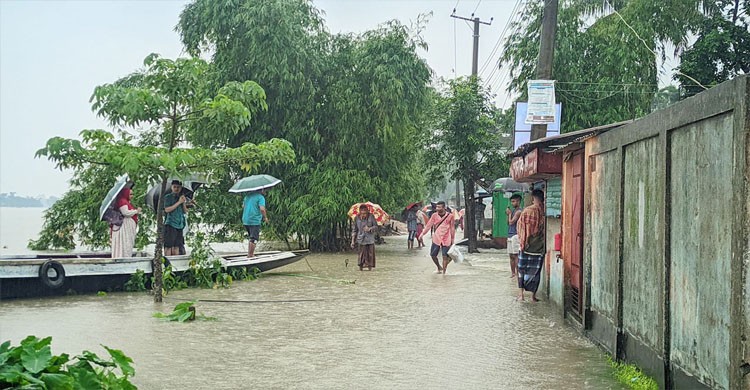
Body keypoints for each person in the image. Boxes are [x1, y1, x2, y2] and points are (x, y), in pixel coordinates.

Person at [517, 189, 545, 302]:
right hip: (539, 247)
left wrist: (523, 244)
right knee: (535, 271)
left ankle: (521, 295)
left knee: (521, 270)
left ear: (533, 198)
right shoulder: (544, 211)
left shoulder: (527, 211)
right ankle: (533, 296)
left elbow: (521, 229)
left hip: (526, 246)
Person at [418, 201, 455, 274]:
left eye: (439, 207)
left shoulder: (450, 216)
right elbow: (428, 225)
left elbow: (452, 228)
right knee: (433, 255)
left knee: (445, 256)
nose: (437, 208)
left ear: (444, 208)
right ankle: (439, 267)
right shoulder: (434, 215)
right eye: (437, 207)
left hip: (446, 238)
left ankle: (444, 273)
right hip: (437, 238)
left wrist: (452, 239)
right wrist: (422, 234)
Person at [111, 187, 141, 258]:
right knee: (124, 242)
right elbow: (125, 213)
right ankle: (122, 257)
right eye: (130, 194)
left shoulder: (126, 202)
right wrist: (136, 211)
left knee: (127, 243)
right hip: (124, 226)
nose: (132, 196)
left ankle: (126, 256)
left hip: (127, 226)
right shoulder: (122, 201)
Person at [163, 180, 190, 256]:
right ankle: (167, 262)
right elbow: (167, 209)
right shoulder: (168, 197)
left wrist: (183, 202)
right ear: (171, 187)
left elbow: (185, 211)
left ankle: (176, 261)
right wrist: (178, 202)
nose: (176, 189)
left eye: (178, 187)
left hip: (180, 224)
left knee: (177, 245)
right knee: (169, 245)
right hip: (171, 223)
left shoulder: (181, 197)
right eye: (174, 187)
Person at [242, 189, 269, 258]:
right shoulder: (260, 197)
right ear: (261, 190)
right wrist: (265, 217)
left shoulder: (247, 196)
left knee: (251, 236)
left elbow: (243, 206)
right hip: (254, 220)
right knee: (254, 238)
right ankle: (250, 255)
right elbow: (262, 209)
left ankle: (250, 253)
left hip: (246, 219)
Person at [351, 204, 377, 271]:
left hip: (370, 239)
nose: (363, 215)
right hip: (361, 239)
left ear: (367, 211)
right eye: (362, 213)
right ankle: (361, 268)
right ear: (359, 212)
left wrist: (369, 229)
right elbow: (354, 230)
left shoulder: (371, 216)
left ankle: (369, 268)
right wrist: (352, 241)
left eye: (365, 213)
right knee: (361, 255)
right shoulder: (356, 218)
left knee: (370, 255)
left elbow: (376, 227)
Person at [506, 194, 523, 278]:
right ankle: (513, 273)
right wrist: (508, 214)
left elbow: (511, 222)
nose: (512, 203)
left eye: (514, 201)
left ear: (518, 201)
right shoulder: (512, 211)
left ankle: (517, 273)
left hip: (516, 235)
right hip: (510, 234)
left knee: (516, 255)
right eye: (511, 201)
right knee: (511, 255)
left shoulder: (519, 211)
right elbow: (507, 223)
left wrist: (509, 214)